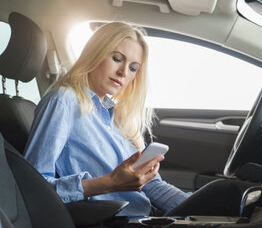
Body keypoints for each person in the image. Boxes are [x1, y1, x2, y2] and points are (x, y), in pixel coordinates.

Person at [24, 21, 249, 219]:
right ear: (94, 53)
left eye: (133, 68)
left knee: (231, 201)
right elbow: (34, 189)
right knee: (225, 192)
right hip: (113, 220)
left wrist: (194, 210)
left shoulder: (114, 116)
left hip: (147, 216)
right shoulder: (63, 101)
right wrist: (109, 183)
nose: (123, 72)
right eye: (117, 59)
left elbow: (153, 186)